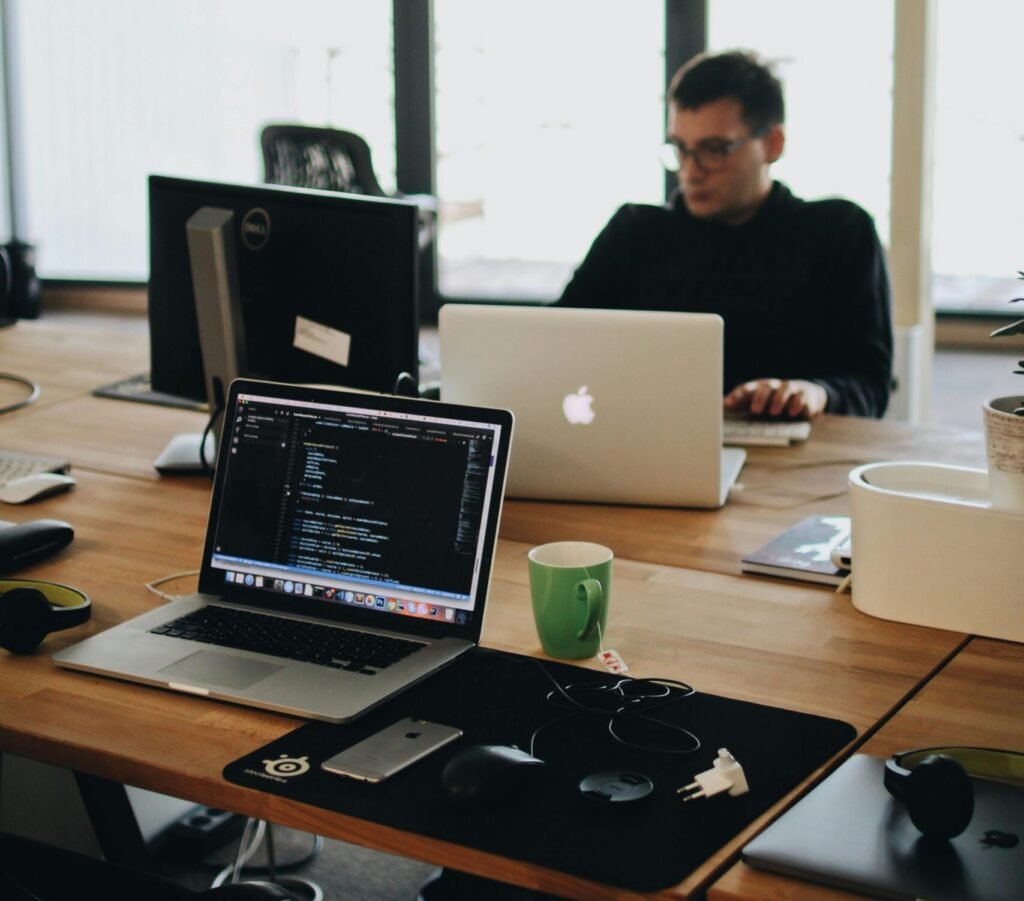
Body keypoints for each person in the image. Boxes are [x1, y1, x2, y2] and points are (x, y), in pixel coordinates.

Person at [557, 50, 893, 419]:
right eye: (681, 150)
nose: (691, 171)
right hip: (647, 445)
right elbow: (553, 342)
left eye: (714, 150)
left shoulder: (839, 232)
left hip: (794, 460)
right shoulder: (633, 232)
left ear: (773, 144)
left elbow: (870, 387)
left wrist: (815, 392)